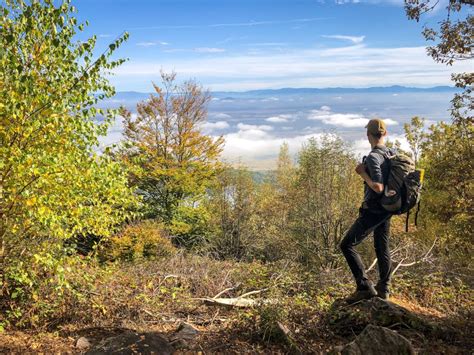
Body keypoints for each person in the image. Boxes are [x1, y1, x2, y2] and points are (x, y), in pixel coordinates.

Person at [340, 118, 395, 304]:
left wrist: (362, 173)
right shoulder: (390, 153)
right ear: (385, 134)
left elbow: (378, 187)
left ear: (368, 135)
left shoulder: (373, 157)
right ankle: (384, 288)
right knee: (382, 246)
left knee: (347, 245)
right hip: (387, 208)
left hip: (374, 210)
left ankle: (364, 287)